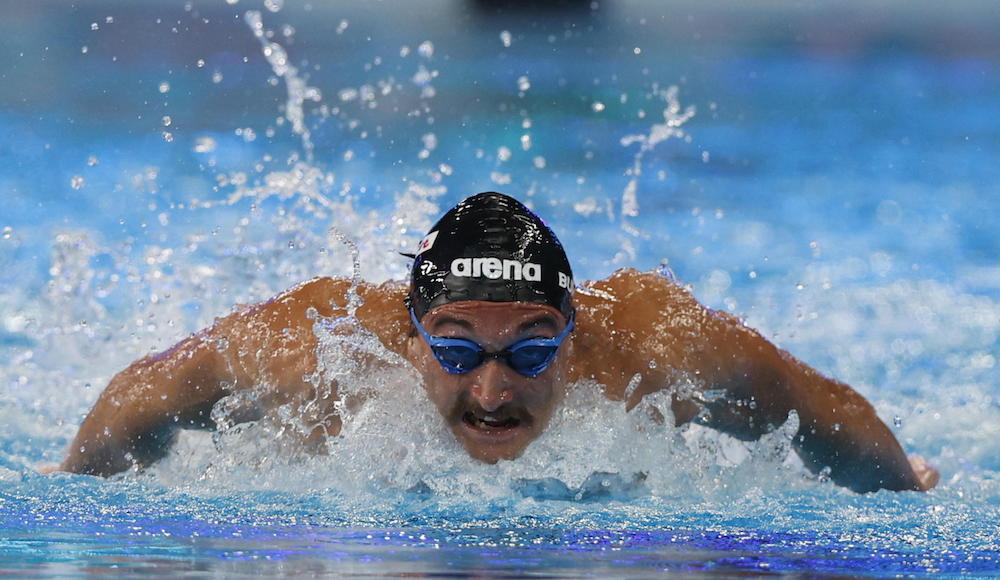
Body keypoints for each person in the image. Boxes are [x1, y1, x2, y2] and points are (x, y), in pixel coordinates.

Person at [57, 192, 939, 493]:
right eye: (454, 350)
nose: (490, 393)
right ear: (408, 336)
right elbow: (139, 396)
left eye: (528, 353)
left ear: (573, 331)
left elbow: (826, 410)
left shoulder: (660, 346)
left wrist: (908, 497)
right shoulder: (309, 350)